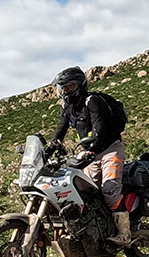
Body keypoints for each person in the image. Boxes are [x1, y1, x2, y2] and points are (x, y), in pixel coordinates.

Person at [48, 66, 131, 247]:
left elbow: (99, 128)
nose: (65, 91)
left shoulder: (92, 101)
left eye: (69, 87)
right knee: (85, 192)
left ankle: (125, 234)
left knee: (109, 190)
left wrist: (93, 149)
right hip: (90, 152)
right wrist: (48, 150)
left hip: (109, 149)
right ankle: (97, 230)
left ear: (79, 85)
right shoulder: (68, 107)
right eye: (62, 88)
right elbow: (60, 130)